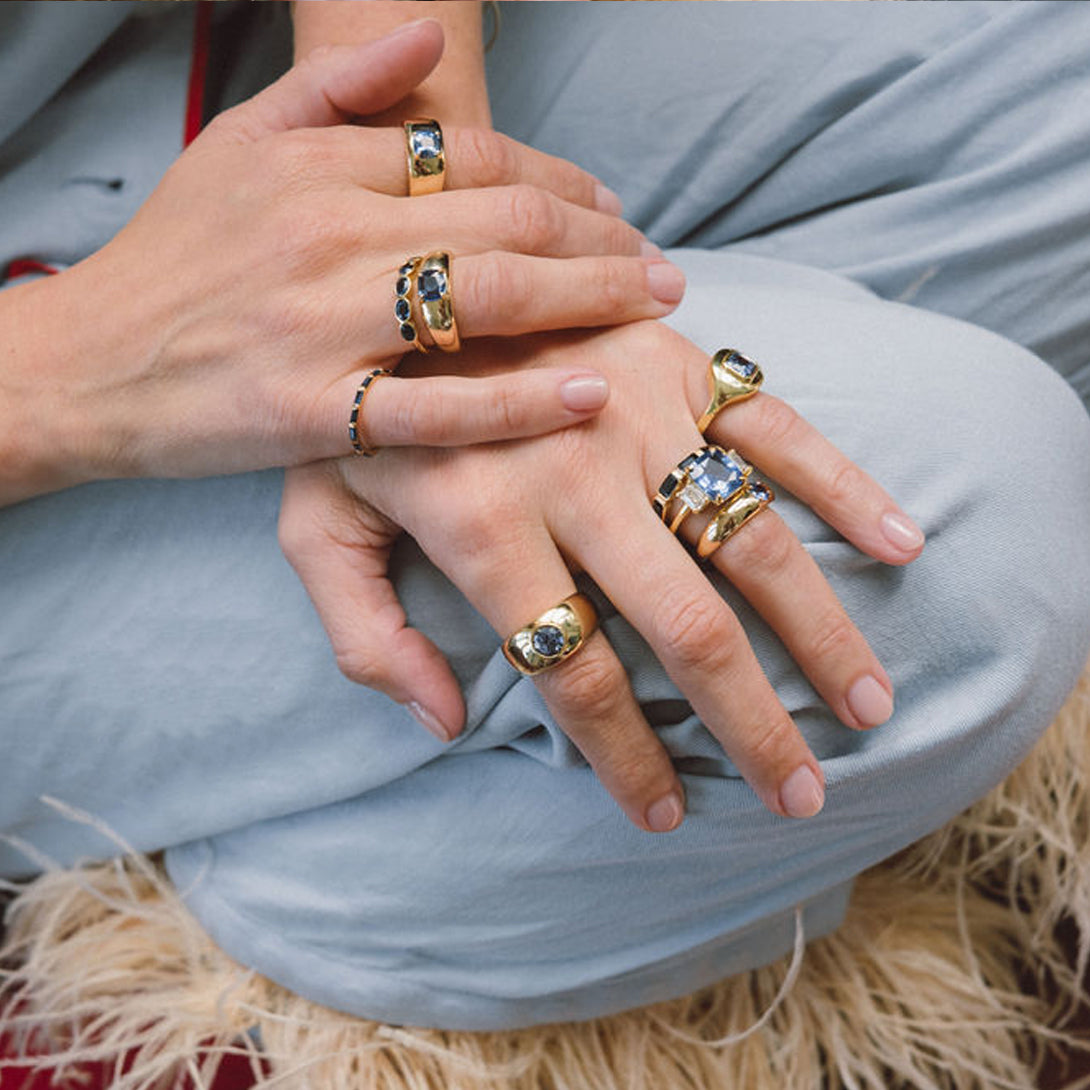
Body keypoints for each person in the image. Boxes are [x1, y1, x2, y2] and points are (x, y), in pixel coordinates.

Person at [1, 0, 1089, 1042]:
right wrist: (94, 358)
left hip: (165, 83)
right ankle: (350, 893)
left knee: (1057, 80)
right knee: (966, 558)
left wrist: (422, 246)